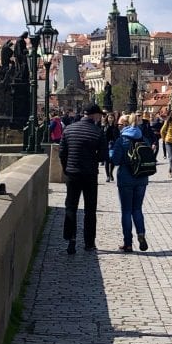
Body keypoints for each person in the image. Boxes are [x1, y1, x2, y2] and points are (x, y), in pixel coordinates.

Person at [59, 104, 108, 254]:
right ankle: (89, 243)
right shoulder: (98, 132)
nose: (100, 118)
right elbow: (103, 156)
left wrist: (67, 168)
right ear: (94, 115)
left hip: (72, 173)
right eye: (99, 115)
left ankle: (71, 240)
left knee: (71, 207)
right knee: (90, 210)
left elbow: (62, 152)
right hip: (90, 175)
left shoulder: (69, 129)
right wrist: (92, 158)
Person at [108, 113, 151, 253]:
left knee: (126, 211)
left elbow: (115, 160)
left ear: (125, 125)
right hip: (141, 178)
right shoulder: (143, 138)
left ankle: (128, 243)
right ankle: (141, 234)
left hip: (126, 179)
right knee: (137, 209)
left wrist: (110, 151)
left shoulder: (122, 140)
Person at [102, 112, 119, 182]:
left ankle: (111, 172)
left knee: (112, 161)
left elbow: (117, 136)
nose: (110, 119)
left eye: (112, 118)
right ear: (107, 118)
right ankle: (108, 176)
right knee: (107, 161)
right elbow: (103, 136)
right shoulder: (104, 126)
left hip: (113, 145)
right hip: (106, 145)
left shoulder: (115, 126)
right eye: (109, 118)